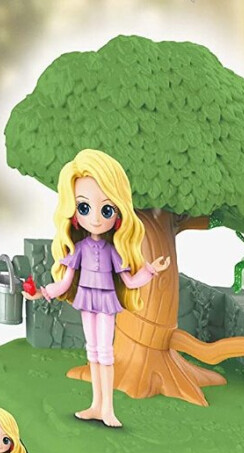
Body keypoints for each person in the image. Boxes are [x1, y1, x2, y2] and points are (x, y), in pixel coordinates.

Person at [25, 148, 170, 427]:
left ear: (117, 214)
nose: (95, 218)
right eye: (84, 208)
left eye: (106, 210)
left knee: (105, 352)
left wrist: (151, 269)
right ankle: (95, 405)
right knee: (92, 351)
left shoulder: (113, 251)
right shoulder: (78, 248)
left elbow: (130, 281)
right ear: (74, 213)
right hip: (86, 300)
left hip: (106, 302)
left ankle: (108, 409)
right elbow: (65, 282)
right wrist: (42, 293)